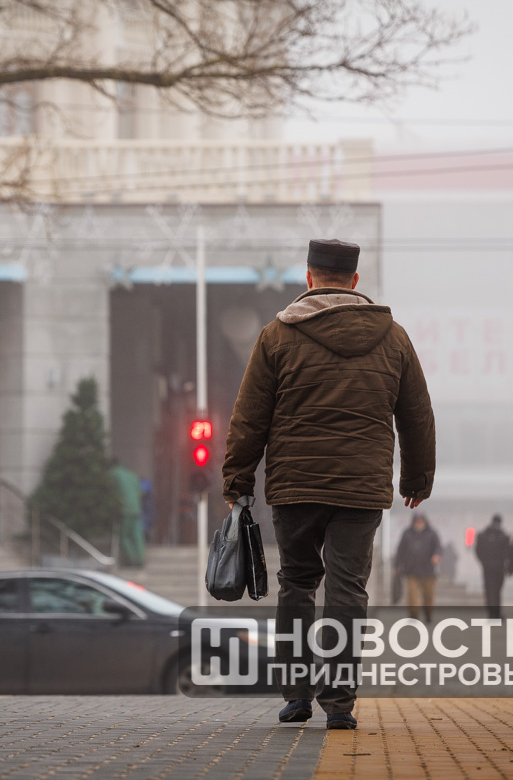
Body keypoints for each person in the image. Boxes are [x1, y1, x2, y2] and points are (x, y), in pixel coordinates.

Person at [222, 237, 436, 731]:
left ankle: (296, 696)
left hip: (295, 484)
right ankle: (339, 702)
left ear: (309, 277)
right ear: (355, 281)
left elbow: (250, 416)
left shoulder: (277, 335)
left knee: (297, 583)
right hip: (361, 487)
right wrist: (417, 477)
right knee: (348, 588)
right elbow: (417, 415)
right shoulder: (394, 338)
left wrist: (237, 478)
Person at [395, 513, 442, 622]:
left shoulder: (432, 533)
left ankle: (428, 614)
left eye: (421, 521)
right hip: (411, 569)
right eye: (417, 521)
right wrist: (397, 565)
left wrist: (437, 555)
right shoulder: (407, 533)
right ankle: (414, 615)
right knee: (413, 595)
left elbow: (438, 547)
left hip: (428, 570)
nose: (419, 524)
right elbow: (400, 550)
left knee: (429, 595)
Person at [474, 514, 511, 618]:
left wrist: (483, 561)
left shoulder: (482, 536)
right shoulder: (504, 536)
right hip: (499, 567)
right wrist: (505, 563)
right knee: (497, 590)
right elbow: (508, 552)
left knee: (488, 589)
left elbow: (478, 551)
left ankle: (490, 612)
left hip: (487, 567)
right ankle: (497, 613)